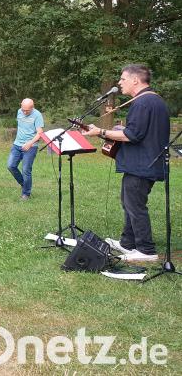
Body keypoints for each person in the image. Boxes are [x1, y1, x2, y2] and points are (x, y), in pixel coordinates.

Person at [81, 64, 170, 262]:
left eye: (122, 79)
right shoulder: (155, 100)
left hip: (141, 164)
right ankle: (128, 243)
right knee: (129, 203)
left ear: (135, 80)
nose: (119, 83)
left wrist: (101, 132)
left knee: (136, 206)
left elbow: (132, 135)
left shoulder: (142, 103)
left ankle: (146, 250)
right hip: (146, 162)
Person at [6, 98, 44, 200]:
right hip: (17, 145)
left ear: (33, 107)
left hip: (31, 146)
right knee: (10, 166)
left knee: (26, 170)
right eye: (23, 109)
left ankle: (26, 194)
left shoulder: (37, 115)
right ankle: (25, 184)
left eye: (27, 110)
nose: (24, 112)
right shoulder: (19, 111)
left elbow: (40, 133)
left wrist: (30, 143)